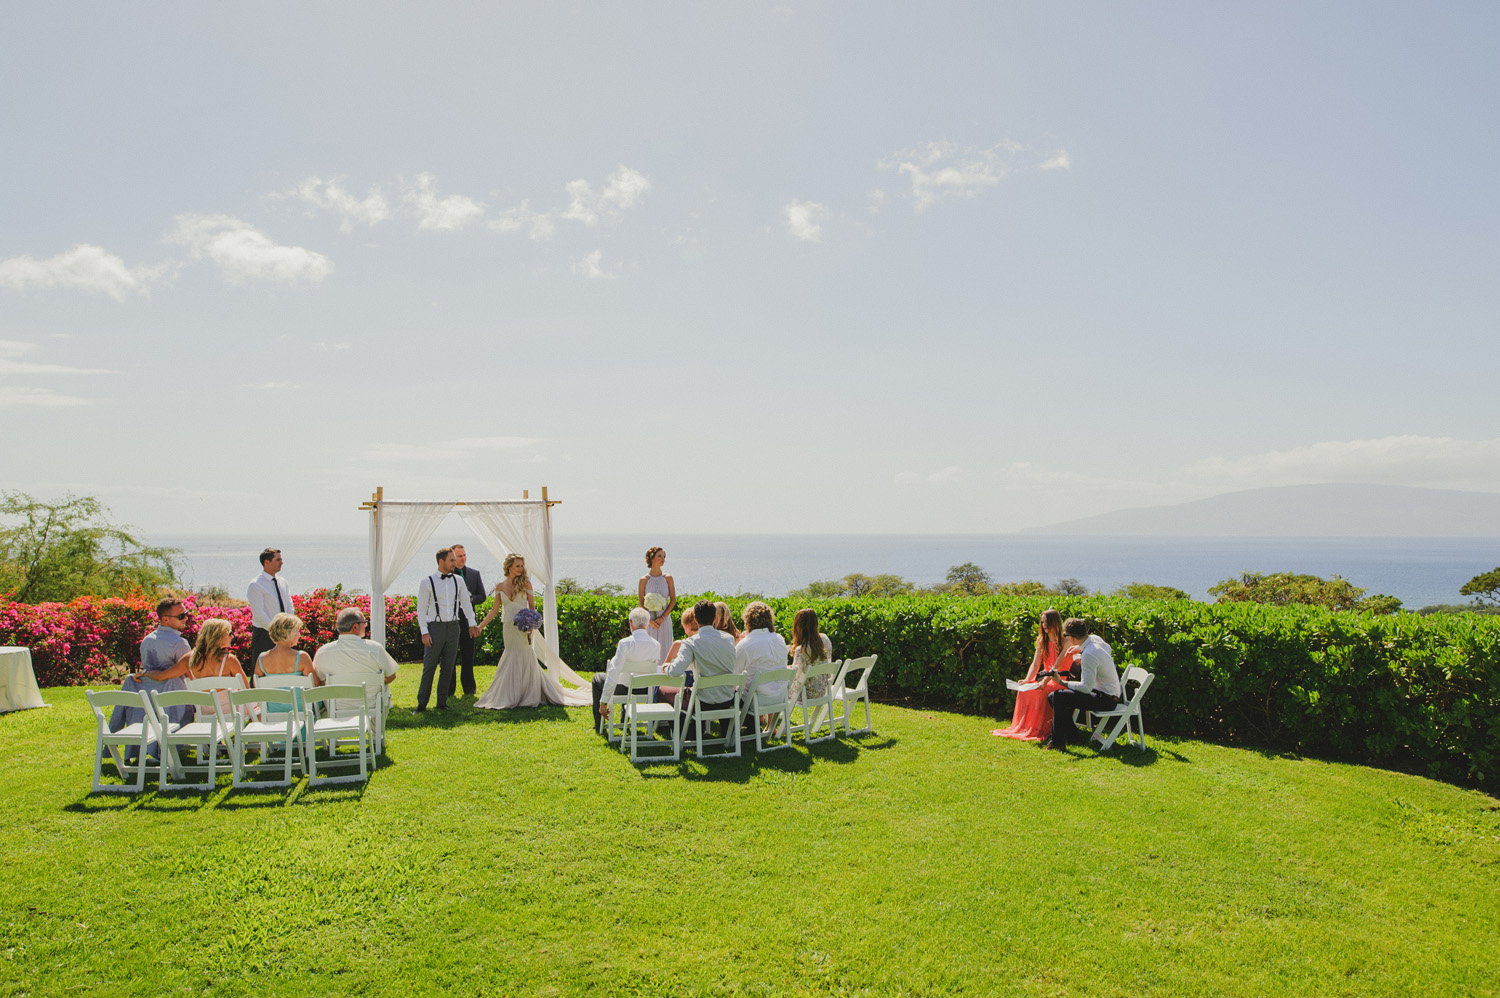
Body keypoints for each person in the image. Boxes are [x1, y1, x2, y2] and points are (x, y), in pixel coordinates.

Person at [475, 554, 588, 709]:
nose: (521, 569)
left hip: (524, 627)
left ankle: (528, 692)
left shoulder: (526, 583)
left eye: (522, 566)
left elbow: (532, 607)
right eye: (517, 566)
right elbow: (494, 610)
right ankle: (508, 693)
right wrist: (480, 626)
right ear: (509, 567)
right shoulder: (500, 586)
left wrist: (531, 625)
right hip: (508, 627)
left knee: (525, 654)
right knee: (510, 653)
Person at [114, 597, 195, 760]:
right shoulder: (180, 643)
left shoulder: (147, 640)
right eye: (181, 616)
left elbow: (148, 670)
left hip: (147, 701)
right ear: (165, 619)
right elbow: (188, 674)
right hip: (173, 701)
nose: (186, 618)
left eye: (186, 614)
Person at [993, 609, 1075, 742]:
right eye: (1042, 622)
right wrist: (1027, 680)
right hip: (1047, 678)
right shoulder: (1042, 641)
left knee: (1042, 692)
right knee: (1024, 691)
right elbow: (1036, 664)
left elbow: (1057, 666)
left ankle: (1043, 728)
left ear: (1055, 622)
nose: (1044, 625)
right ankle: (1026, 727)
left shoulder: (1065, 641)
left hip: (1061, 679)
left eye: (1047, 622)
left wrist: (1043, 683)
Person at [414, 546, 480, 712]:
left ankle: (441, 703)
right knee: (429, 667)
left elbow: (466, 603)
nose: (455, 563)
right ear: (441, 561)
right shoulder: (426, 582)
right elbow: (421, 610)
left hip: (453, 627)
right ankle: (422, 704)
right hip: (435, 628)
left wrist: (472, 624)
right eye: (452, 560)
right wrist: (424, 632)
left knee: (448, 666)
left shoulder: (459, 581)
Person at [663, 600, 740, 740]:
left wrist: (666, 667)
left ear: (696, 619)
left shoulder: (691, 642)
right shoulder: (729, 639)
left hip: (703, 701)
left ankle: (683, 730)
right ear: (715, 618)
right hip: (727, 698)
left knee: (662, 690)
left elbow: (674, 672)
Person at [1043, 618, 1123, 751]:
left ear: (1072, 638)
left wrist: (1061, 682)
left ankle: (1057, 743)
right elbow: (1107, 648)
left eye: (1066, 636)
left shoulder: (1089, 654)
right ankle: (1073, 737)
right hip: (1108, 694)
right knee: (1054, 697)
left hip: (1106, 700)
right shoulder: (1094, 640)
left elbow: (1086, 688)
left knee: (1057, 696)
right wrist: (1078, 649)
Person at [312, 607, 400, 718]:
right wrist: (373, 682)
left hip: (337, 709)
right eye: (364, 623)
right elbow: (391, 675)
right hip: (371, 707)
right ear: (355, 627)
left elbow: (318, 681)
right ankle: (375, 733)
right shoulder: (375, 649)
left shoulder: (322, 652)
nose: (366, 626)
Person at [591, 608, 664, 734]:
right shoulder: (656, 644)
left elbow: (613, 673)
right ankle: (624, 721)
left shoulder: (625, 644)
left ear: (630, 622)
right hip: (644, 689)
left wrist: (604, 702)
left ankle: (599, 725)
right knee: (629, 679)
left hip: (623, 689)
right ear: (647, 624)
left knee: (597, 678)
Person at [443, 543, 486, 700]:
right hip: (451, 620)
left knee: (468, 655)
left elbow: (482, 596)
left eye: (464, 555)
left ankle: (469, 688)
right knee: (450, 656)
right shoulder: (446, 575)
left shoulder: (474, 574)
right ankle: (449, 689)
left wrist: (471, 599)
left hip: (469, 621)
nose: (462, 558)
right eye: (459, 556)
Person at [735, 602, 789, 726]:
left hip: (754, 701)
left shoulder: (746, 645)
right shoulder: (779, 639)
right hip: (779, 696)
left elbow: (734, 674)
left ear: (748, 622)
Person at [253, 612, 316, 714]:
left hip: (273, 714)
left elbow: (257, 686)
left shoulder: (262, 658)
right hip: (300, 713)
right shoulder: (302, 657)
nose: (299, 634)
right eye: (298, 631)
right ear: (290, 633)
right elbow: (314, 685)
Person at [187, 619, 250, 720]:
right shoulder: (229, 660)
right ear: (218, 636)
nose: (232, 636)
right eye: (229, 633)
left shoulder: (191, 659)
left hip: (205, 712)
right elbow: (245, 690)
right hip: (231, 711)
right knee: (256, 705)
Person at [246, 548, 292, 668]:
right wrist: (276, 633)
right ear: (267, 562)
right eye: (278, 560)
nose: (281, 562)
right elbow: (259, 614)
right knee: (261, 671)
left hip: (284, 635)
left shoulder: (283, 582)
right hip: (264, 635)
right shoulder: (256, 584)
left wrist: (288, 629)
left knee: (284, 669)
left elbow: (289, 605)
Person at [786, 608, 835, 709]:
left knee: (776, 688)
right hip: (822, 690)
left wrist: (788, 671)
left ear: (798, 626)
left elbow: (797, 680)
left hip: (804, 694)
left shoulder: (801, 650)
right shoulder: (825, 639)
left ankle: (770, 721)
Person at [637, 546, 676, 664]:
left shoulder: (668, 578)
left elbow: (673, 600)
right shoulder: (643, 580)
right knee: (650, 650)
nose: (662, 558)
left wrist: (663, 617)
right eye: (659, 556)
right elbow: (640, 603)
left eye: (664, 556)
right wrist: (649, 620)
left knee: (665, 648)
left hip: (664, 621)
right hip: (650, 622)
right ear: (652, 558)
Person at [659, 606, 701, 705]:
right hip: (697, 687)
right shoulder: (704, 643)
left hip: (681, 685)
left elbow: (665, 666)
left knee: (659, 688)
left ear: (688, 626)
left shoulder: (679, 644)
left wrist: (665, 667)